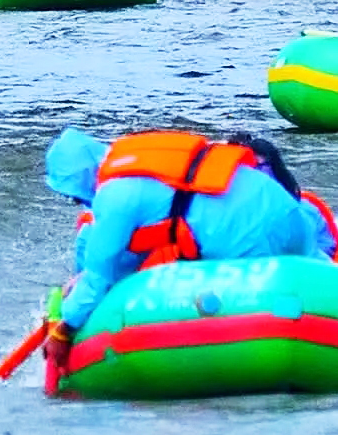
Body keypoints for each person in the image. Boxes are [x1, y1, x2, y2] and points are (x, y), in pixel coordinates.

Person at [41, 127, 322, 365]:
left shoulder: (114, 196)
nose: (78, 203)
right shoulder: (136, 160)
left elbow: (101, 274)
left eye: (73, 197)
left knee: (255, 327)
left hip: (245, 236)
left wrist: (64, 330)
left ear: (79, 182)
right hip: (283, 208)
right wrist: (84, 282)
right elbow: (128, 257)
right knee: (320, 280)